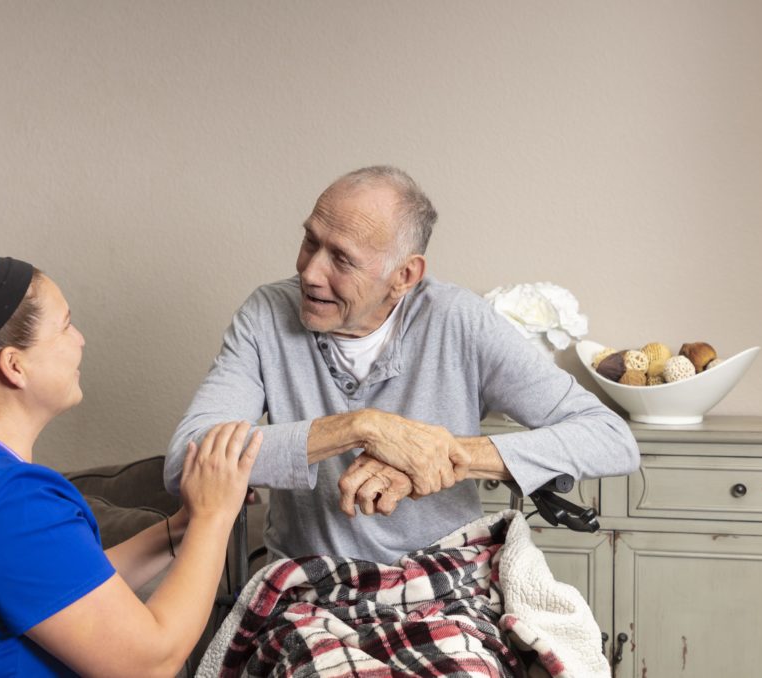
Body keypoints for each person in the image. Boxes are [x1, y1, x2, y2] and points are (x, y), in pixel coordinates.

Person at [165, 166, 640, 565]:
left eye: (341, 260)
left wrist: (449, 455)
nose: (309, 272)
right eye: (311, 241)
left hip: (445, 580)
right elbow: (187, 457)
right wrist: (362, 427)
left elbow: (609, 438)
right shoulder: (266, 314)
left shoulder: (458, 319)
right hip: (307, 587)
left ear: (404, 275)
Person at [0, 255, 261, 677]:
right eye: (65, 326)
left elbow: (66, 590)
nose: (79, 339)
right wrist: (214, 516)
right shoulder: (5, 499)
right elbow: (149, 665)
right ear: (14, 366)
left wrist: (180, 527)